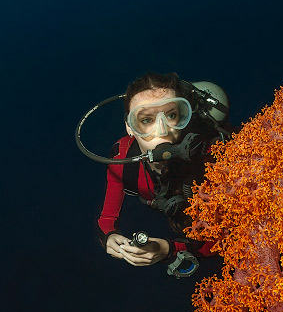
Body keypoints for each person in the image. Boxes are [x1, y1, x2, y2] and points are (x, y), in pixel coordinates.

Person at [98, 71, 228, 273]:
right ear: (130, 127)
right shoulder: (121, 159)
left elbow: (227, 239)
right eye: (146, 120)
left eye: (171, 115)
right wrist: (109, 237)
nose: (162, 130)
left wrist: (169, 250)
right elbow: (106, 220)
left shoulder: (210, 158)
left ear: (184, 117)